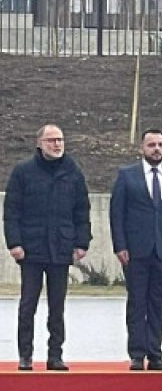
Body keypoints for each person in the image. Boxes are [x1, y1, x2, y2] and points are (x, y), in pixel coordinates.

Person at [3, 124, 91, 372]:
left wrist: (81, 242)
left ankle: (55, 355)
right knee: (28, 304)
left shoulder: (72, 172)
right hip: (31, 249)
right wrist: (14, 243)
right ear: (39, 143)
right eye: (51, 140)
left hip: (61, 249)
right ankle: (25, 356)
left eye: (60, 140)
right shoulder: (23, 172)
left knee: (57, 306)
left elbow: (81, 210)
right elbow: (12, 211)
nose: (57, 144)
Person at [110, 128, 162, 371]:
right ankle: (136, 353)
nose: (156, 149)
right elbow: (116, 214)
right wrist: (120, 245)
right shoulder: (127, 176)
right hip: (135, 251)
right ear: (142, 148)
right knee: (137, 302)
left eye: (161, 145)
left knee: (158, 303)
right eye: (152, 144)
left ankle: (155, 353)